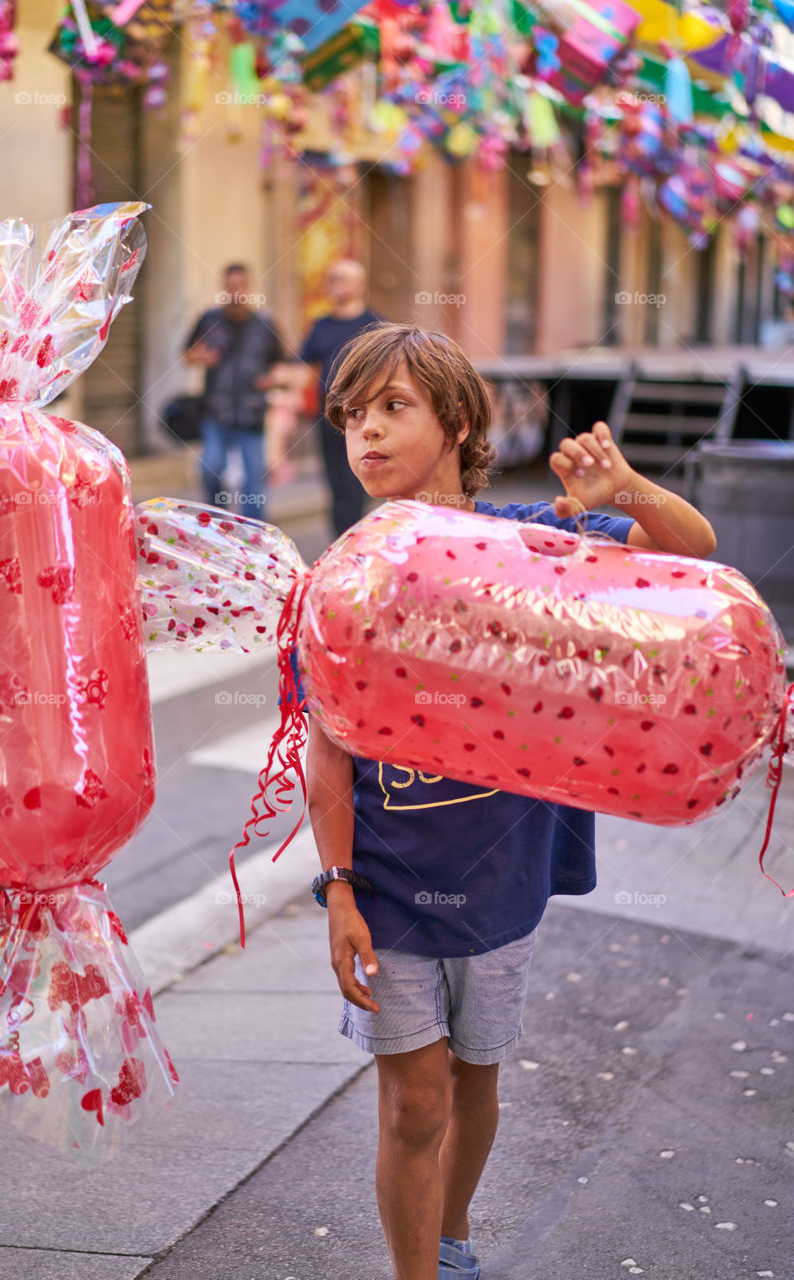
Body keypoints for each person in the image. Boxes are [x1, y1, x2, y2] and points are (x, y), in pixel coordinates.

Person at [305, 324, 716, 1280]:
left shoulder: (537, 538)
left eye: (392, 407)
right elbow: (326, 754)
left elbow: (695, 551)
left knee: (475, 1078)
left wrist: (626, 493)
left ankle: (449, 1242)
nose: (366, 433)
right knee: (413, 1099)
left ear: (455, 420)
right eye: (352, 416)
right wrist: (335, 891)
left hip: (503, 876)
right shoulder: (347, 574)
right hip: (389, 880)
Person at [184, 263, 287, 521]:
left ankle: (253, 532)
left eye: (240, 287)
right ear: (223, 289)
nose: (235, 293)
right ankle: (217, 521)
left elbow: (284, 365)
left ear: (249, 288)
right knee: (210, 468)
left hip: (251, 414)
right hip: (215, 411)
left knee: (253, 479)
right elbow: (187, 354)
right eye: (230, 287)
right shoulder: (209, 319)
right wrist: (201, 357)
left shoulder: (265, 324)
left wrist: (273, 380)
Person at [299, 259, 383, 538]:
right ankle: (340, 543)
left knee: (358, 479)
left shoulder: (375, 324)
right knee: (334, 481)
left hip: (363, 417)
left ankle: (356, 539)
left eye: (341, 279)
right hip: (328, 416)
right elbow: (303, 366)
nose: (334, 285)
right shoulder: (321, 325)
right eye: (331, 279)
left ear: (359, 285)